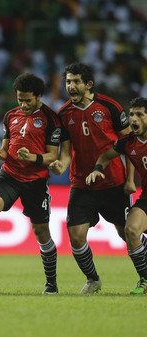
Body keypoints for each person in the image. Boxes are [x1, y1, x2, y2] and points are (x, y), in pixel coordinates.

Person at [0, 73, 61, 294]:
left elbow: (52, 156)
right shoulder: (10, 115)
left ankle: (51, 283)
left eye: (28, 100)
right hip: (9, 175)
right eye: (20, 99)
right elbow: (5, 152)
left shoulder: (51, 119)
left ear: (38, 96)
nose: (23, 104)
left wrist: (33, 158)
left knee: (41, 233)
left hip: (35, 182)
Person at [50, 62, 135, 294]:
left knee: (127, 234)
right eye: (68, 81)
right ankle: (93, 280)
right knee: (76, 237)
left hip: (114, 182)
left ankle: (144, 276)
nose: (71, 86)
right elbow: (66, 153)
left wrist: (130, 179)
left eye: (76, 81)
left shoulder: (110, 107)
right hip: (81, 183)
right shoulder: (64, 113)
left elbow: (129, 144)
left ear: (88, 84)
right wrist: (60, 166)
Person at [86, 97, 147, 294]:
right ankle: (145, 280)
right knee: (130, 230)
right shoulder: (128, 142)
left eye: (139, 114)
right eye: (131, 114)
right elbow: (104, 156)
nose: (134, 119)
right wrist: (97, 169)